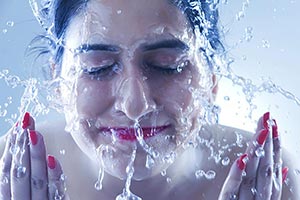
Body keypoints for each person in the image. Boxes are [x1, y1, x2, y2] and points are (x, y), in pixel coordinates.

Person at [0, 0, 299, 199]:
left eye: (167, 65)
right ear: (57, 81)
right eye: (97, 68)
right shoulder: (7, 177)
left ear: (212, 78)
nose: (134, 106)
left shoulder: (268, 181)